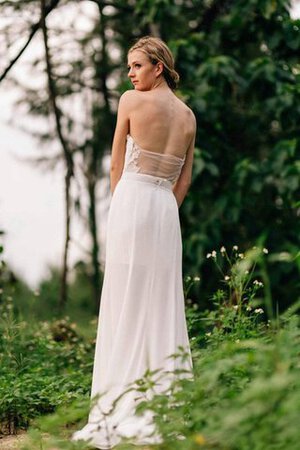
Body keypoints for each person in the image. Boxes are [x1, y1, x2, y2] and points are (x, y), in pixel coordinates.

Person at [71, 36, 196, 449]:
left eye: (137, 66)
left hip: (132, 200)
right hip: (165, 210)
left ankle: (117, 400)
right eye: (130, 67)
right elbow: (184, 181)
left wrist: (121, 205)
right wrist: (164, 208)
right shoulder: (188, 117)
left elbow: (115, 164)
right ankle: (162, 400)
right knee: (161, 300)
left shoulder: (129, 101)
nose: (130, 74)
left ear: (158, 66)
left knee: (124, 298)